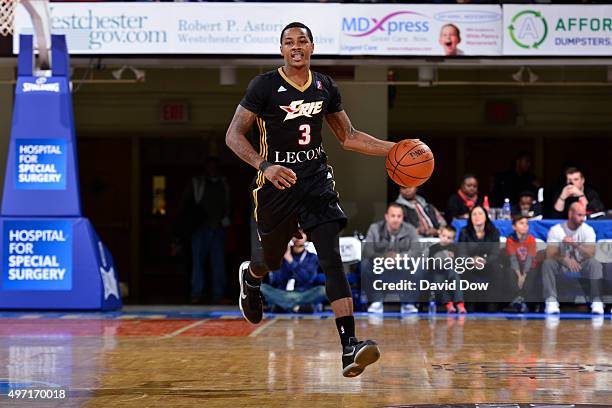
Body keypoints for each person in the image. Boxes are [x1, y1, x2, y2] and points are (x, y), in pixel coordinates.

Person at [225, 22, 411, 377]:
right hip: (275, 186)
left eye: (303, 41)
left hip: (315, 183)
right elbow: (233, 135)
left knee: (331, 259)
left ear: (311, 47)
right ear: (281, 49)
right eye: (289, 42)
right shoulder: (263, 86)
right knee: (272, 261)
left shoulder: (325, 86)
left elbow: (350, 136)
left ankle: (349, 347)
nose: (296, 46)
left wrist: (396, 149)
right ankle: (251, 276)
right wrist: (266, 166)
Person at [179, 158, 230, 304]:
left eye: (215, 166)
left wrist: (226, 217)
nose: (212, 169)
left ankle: (219, 295)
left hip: (218, 227)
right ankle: (196, 294)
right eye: (209, 166)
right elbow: (186, 203)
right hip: (199, 228)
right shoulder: (197, 182)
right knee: (197, 263)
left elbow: (227, 203)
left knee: (218, 263)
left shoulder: (223, 183)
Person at [542, 202, 604, 315]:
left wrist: (575, 244)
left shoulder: (588, 230)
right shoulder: (556, 230)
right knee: (548, 263)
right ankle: (551, 301)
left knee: (594, 264)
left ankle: (596, 300)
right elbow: (550, 254)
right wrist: (564, 259)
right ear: (570, 214)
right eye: (579, 215)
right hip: (562, 265)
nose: (583, 219)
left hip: (582, 264)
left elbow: (591, 254)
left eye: (584, 215)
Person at [362, 203, 420, 315]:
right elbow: (367, 251)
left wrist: (400, 257)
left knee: (419, 265)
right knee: (365, 263)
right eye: (393, 216)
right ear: (386, 217)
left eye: (399, 216)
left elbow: (416, 251)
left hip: (403, 265)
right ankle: (376, 301)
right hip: (380, 264)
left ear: (402, 218)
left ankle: (408, 304)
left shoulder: (411, 230)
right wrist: (383, 257)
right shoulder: (375, 228)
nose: (396, 219)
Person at [261, 232, 327, 313]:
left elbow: (308, 279)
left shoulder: (312, 257)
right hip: (283, 293)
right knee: (261, 288)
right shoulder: (282, 255)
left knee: (323, 290)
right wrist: (284, 257)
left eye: (302, 234)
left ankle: (284, 306)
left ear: (306, 237)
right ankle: (296, 307)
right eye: (296, 234)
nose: (299, 237)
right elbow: (278, 279)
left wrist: (290, 260)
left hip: (303, 294)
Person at [457, 205, 502, 309]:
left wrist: (484, 261)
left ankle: (492, 303)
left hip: (488, 263)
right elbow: (461, 253)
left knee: (496, 267)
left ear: (486, 216)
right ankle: (470, 304)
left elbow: (495, 254)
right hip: (470, 263)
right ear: (470, 217)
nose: (477, 216)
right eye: (474, 214)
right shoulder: (464, 232)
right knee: (463, 268)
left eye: (480, 213)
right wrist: (472, 260)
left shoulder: (494, 232)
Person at [427, 225, 465, 314]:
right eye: (443, 236)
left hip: (450, 272)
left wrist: (453, 259)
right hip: (437, 273)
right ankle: (449, 305)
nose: (445, 239)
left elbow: (459, 263)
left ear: (453, 240)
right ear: (440, 234)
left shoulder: (455, 248)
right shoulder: (433, 248)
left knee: (456, 277)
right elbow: (430, 264)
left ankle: (460, 304)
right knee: (438, 283)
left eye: (449, 238)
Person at [505, 215, 538, 313]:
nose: (525, 226)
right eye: (521, 223)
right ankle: (517, 298)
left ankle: (524, 300)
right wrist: (519, 275)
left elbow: (530, 258)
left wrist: (524, 275)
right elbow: (513, 258)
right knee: (509, 271)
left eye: (526, 224)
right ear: (514, 227)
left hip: (529, 266)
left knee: (532, 273)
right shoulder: (510, 239)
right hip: (516, 266)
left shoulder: (531, 239)